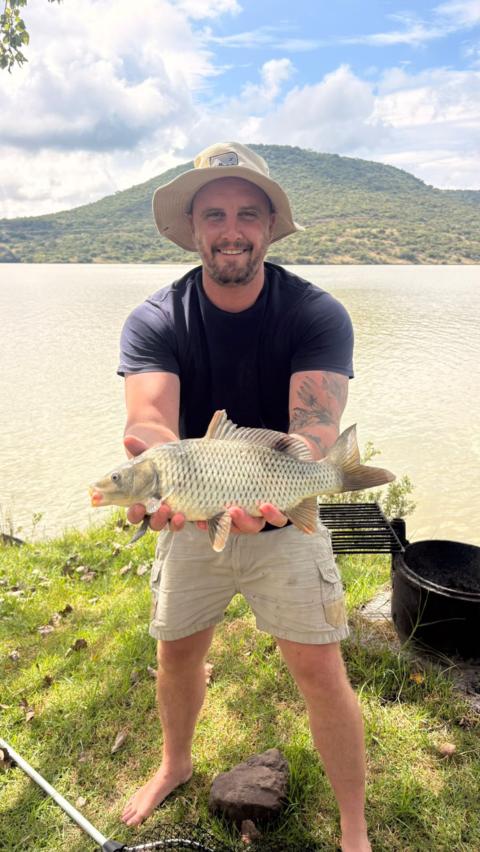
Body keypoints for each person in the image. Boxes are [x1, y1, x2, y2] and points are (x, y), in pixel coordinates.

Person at [117, 142, 371, 852]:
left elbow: (314, 426)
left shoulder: (316, 312)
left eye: (248, 214)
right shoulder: (156, 317)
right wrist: (154, 468)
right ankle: (175, 762)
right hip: (190, 513)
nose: (232, 230)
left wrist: (303, 480)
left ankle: (354, 824)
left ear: (269, 227)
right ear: (193, 228)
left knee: (320, 668)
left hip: (280, 515)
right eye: (215, 214)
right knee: (175, 654)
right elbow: (150, 419)